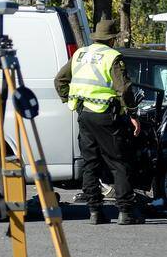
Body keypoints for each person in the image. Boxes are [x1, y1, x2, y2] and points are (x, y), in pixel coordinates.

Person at [55, 20, 144, 225]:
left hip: (84, 114)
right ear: (112, 39)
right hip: (107, 115)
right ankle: (125, 212)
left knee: (90, 163)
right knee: (118, 162)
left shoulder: (80, 54)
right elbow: (124, 88)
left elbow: (59, 79)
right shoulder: (113, 57)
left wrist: (70, 99)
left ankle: (95, 211)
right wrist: (132, 113)